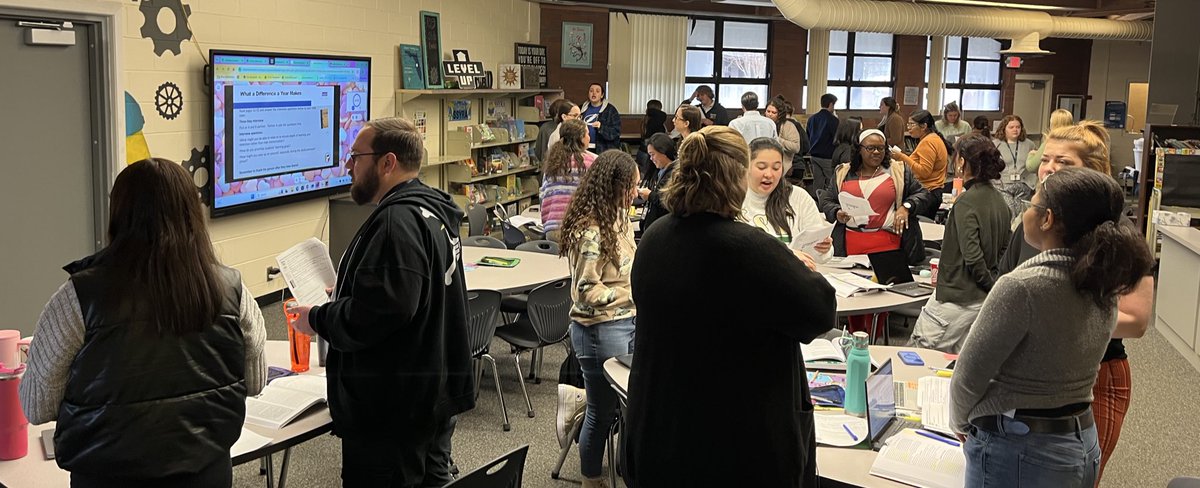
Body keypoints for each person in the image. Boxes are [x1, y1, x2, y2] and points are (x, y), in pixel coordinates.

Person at [20, 158, 266, 487]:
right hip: (205, 475)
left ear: (119, 214)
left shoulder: (79, 296)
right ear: (192, 213)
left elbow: (36, 407)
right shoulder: (232, 289)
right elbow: (255, 381)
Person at [624, 125, 836, 487]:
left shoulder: (654, 239)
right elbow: (820, 311)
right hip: (736, 446)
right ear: (737, 177)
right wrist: (787, 260)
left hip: (661, 432)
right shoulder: (749, 249)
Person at [287, 117, 474, 487]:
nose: (348, 166)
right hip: (430, 391)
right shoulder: (432, 210)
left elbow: (378, 315)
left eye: (356, 156)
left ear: (387, 163)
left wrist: (319, 318)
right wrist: (353, 288)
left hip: (393, 412)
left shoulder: (396, 223)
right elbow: (409, 292)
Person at [951, 167, 1153, 488]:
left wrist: (960, 422)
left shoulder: (1023, 287)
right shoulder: (1102, 280)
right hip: (1080, 440)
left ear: (1046, 219)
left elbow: (968, 374)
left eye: (1033, 202)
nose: (1027, 210)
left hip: (1022, 449)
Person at [997, 121, 1156, 483]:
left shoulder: (1118, 233)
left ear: (1093, 172)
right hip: (1026, 374)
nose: (1050, 168)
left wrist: (1056, 317)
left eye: (1064, 163)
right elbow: (1002, 287)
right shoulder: (1032, 224)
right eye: (1046, 159)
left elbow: (1136, 319)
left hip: (1094, 377)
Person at [558, 150, 639, 488]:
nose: (636, 192)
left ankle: (580, 399)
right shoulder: (591, 230)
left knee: (621, 406)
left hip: (626, 322)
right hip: (600, 329)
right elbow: (587, 289)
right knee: (603, 414)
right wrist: (634, 295)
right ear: (615, 186)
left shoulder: (618, 218)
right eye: (632, 186)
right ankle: (591, 479)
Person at [819, 129, 933, 337]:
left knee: (882, 299)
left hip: (887, 243)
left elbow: (923, 194)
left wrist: (906, 206)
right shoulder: (843, 172)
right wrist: (837, 212)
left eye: (881, 148)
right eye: (870, 148)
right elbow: (826, 200)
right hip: (852, 245)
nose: (876, 152)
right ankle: (856, 337)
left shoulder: (898, 171)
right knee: (855, 297)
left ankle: (872, 338)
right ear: (859, 150)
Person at [907, 135, 1010, 352]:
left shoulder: (966, 201)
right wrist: (991, 285)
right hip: (979, 301)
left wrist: (989, 285)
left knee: (918, 355)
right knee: (956, 363)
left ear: (961, 162)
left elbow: (972, 256)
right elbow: (1004, 248)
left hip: (955, 297)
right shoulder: (1000, 201)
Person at [741, 137, 833, 267]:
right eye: (761, 167)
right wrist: (787, 255)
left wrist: (823, 248)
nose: (769, 174)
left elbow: (817, 256)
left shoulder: (798, 197)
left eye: (776, 168)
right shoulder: (733, 198)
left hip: (795, 281)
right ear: (747, 166)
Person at [540, 119, 597, 241]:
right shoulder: (590, 162)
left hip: (552, 228)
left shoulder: (552, 162)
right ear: (581, 138)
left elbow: (543, 195)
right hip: (577, 228)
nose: (589, 137)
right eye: (587, 134)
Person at [890, 109, 950, 216]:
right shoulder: (933, 138)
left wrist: (902, 157)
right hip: (932, 191)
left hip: (928, 192)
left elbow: (924, 172)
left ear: (924, 126)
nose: (909, 128)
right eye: (908, 124)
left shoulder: (928, 142)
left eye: (912, 124)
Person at [639, 132, 677, 232]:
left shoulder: (675, 174)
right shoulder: (658, 171)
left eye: (653, 155)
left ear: (663, 152)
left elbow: (669, 202)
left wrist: (650, 196)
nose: (651, 159)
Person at [806, 93, 840, 198]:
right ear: (831, 104)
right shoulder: (833, 120)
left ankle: (817, 203)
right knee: (831, 181)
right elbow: (836, 138)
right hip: (828, 156)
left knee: (818, 181)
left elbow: (808, 135)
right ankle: (829, 202)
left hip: (814, 155)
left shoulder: (812, 119)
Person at [765, 95, 809, 173]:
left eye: (774, 112)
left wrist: (777, 140)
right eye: (768, 111)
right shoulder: (763, 124)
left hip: (785, 167)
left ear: (780, 113)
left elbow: (796, 147)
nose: (770, 114)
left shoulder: (788, 126)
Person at [993, 114, 1038, 189]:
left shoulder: (1029, 144)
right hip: (1001, 185)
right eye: (1011, 127)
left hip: (1024, 184)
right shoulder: (995, 145)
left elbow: (1035, 164)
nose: (1015, 130)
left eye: (1018, 127)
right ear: (1004, 129)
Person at [1026, 108, 1074, 174]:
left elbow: (1031, 167)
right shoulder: (1075, 142)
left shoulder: (1050, 143)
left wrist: (1031, 155)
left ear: (1053, 123)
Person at [580, 82, 621, 153]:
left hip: (602, 149)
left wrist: (601, 127)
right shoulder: (581, 109)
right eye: (591, 91)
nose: (594, 93)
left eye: (597, 91)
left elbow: (615, 133)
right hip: (583, 148)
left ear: (602, 95)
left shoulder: (611, 110)